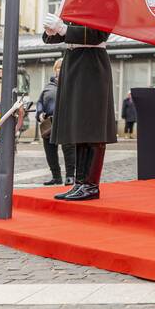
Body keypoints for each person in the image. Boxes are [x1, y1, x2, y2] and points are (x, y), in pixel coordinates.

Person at [42, 13, 116, 201]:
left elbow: (98, 34)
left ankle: (91, 185)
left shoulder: (105, 2)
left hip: (92, 63)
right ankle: (80, 182)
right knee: (79, 128)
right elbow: (62, 35)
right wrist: (53, 32)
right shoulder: (78, 3)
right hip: (73, 61)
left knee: (92, 127)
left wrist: (64, 29)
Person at [36, 58, 76, 187]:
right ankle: (56, 176)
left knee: (69, 150)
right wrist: (40, 113)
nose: (60, 70)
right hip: (49, 122)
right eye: (58, 68)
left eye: (63, 67)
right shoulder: (48, 87)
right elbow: (40, 102)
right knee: (50, 151)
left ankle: (70, 176)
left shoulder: (73, 84)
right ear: (55, 70)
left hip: (66, 121)